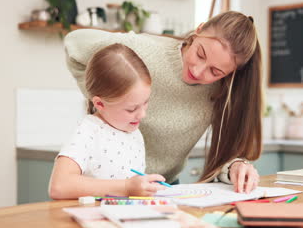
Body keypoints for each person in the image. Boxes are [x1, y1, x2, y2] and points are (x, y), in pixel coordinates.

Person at [64, 11, 263, 193]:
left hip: (161, 188)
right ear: (199, 30)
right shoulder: (143, 51)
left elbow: (224, 156)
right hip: (104, 186)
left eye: (215, 72)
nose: (198, 71)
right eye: (200, 54)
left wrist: (234, 167)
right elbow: (74, 43)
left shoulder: (223, 92)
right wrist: (108, 101)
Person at [49, 43, 167, 199]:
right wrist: (126, 187)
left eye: (145, 102)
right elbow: (59, 186)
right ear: (100, 104)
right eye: (131, 109)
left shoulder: (134, 133)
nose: (142, 114)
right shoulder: (89, 131)